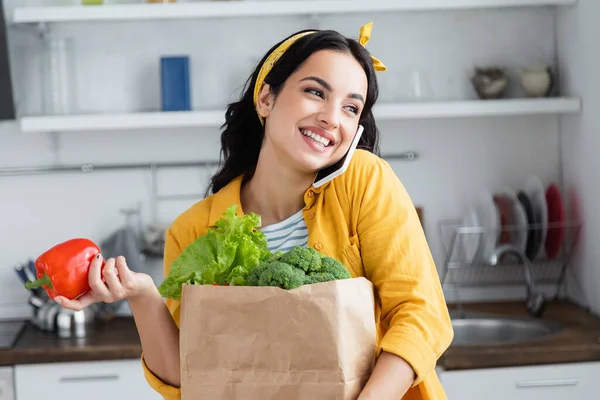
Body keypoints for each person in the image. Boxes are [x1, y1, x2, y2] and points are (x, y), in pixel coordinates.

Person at [55, 22, 453, 400]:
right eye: (316, 92)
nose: (332, 118)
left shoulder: (363, 181)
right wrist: (142, 295)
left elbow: (421, 315)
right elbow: (189, 376)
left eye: (352, 108)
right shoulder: (194, 230)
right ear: (266, 98)